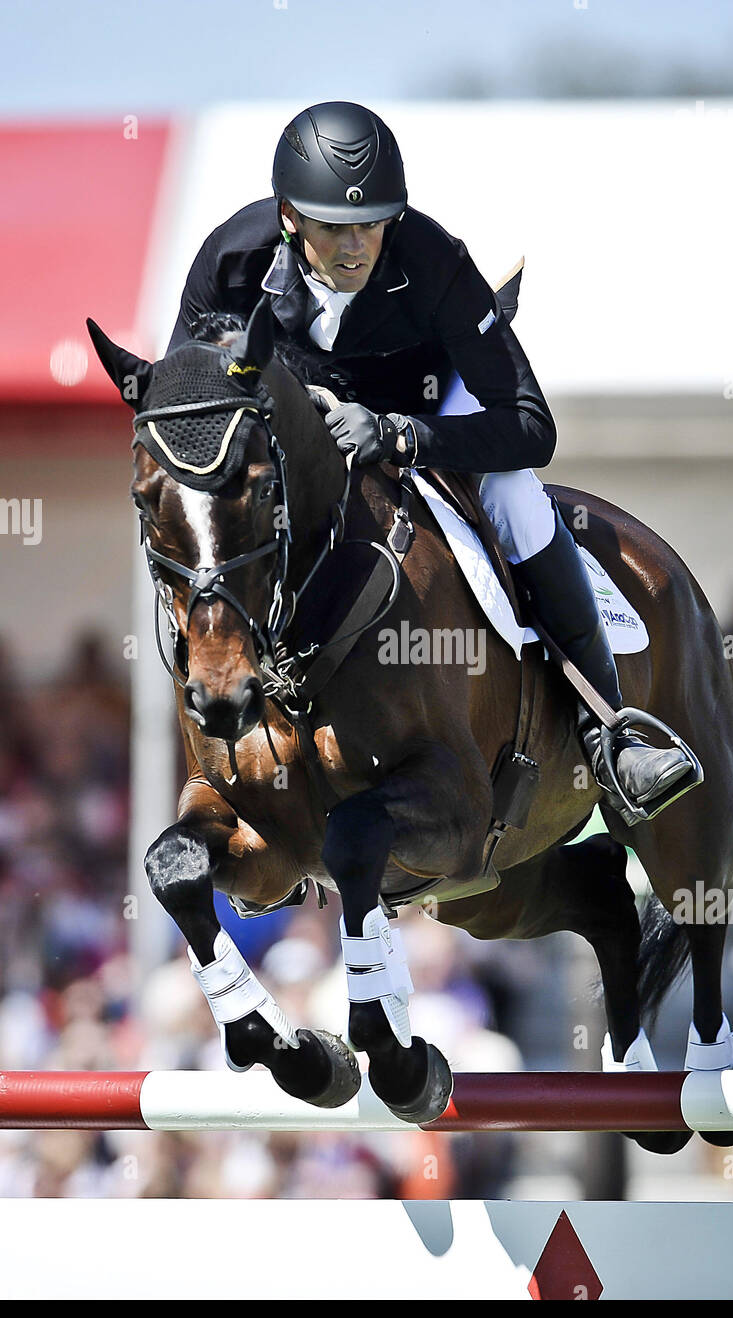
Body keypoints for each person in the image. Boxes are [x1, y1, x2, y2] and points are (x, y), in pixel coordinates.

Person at [168, 100, 693, 823]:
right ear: (289, 216)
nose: (355, 246)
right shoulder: (232, 259)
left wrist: (400, 435)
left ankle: (611, 733)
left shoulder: (433, 260)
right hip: (294, 438)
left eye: (372, 224)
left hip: (424, 407)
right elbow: (188, 407)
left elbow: (530, 428)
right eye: (332, 227)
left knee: (514, 494)